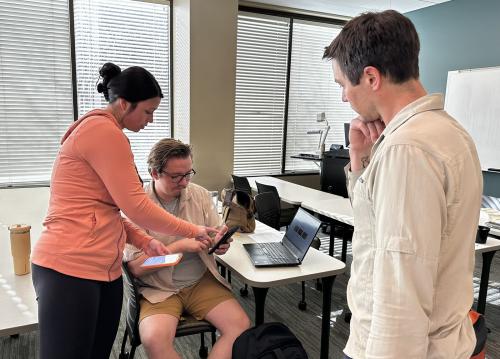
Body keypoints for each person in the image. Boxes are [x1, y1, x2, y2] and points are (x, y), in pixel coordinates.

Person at [31, 63, 220, 359]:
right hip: (68, 266)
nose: (151, 119)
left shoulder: (110, 133)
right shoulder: (101, 131)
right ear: (123, 103)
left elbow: (110, 213)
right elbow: (137, 207)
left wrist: (144, 241)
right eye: (147, 111)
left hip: (101, 269)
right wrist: (194, 230)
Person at [323, 10, 483, 358]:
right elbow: (376, 229)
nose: (343, 97)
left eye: (342, 85)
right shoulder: (447, 132)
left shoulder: (407, 149)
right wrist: (361, 159)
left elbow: (401, 290)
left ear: (370, 78)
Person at [124, 138, 250, 359]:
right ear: (155, 173)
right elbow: (136, 268)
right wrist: (179, 247)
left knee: (240, 326)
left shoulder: (199, 194)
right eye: (176, 177)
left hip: (200, 281)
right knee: (154, 340)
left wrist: (220, 242)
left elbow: (214, 232)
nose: (184, 182)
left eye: (188, 173)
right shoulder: (137, 205)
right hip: (158, 288)